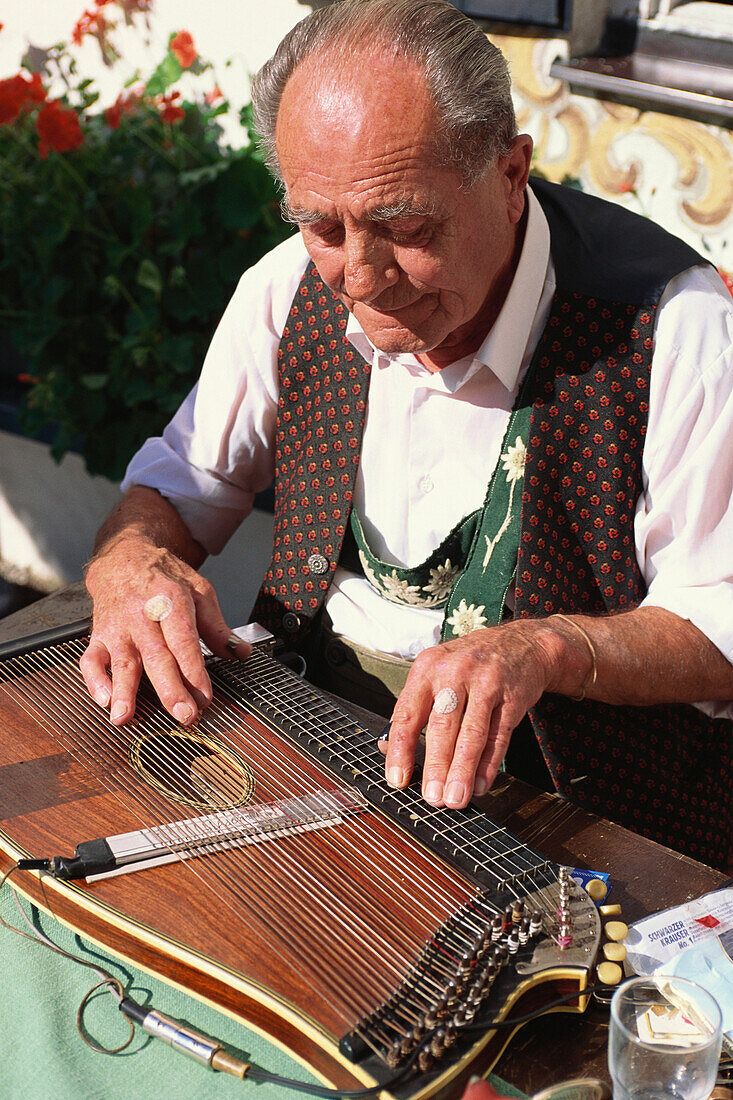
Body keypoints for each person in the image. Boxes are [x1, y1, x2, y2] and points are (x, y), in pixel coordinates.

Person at [81, 0, 733, 869]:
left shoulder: (669, 326)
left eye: (407, 228)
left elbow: (719, 620)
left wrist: (550, 646)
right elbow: (181, 487)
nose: (361, 275)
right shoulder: (284, 288)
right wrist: (126, 562)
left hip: (579, 809)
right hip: (311, 758)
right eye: (320, 226)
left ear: (509, 176)